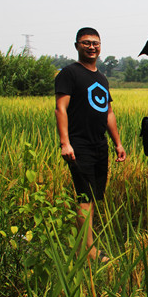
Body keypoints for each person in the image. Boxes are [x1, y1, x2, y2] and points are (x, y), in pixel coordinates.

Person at [55, 27, 126, 262]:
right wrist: (65, 143)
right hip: (79, 144)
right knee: (84, 197)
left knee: (93, 196)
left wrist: (117, 143)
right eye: (86, 42)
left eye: (95, 42)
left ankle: (86, 246)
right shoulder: (69, 73)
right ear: (77, 45)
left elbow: (108, 112)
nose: (92, 46)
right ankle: (87, 251)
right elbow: (61, 108)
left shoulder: (101, 78)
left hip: (99, 145)